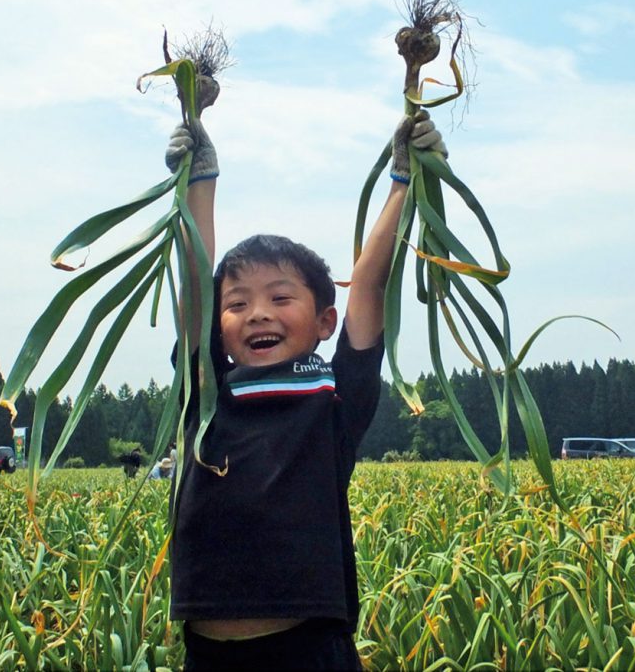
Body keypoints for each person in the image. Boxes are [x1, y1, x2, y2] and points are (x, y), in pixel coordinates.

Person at [164, 105, 446, 671]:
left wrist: (405, 180)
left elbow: (369, 284)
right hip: (207, 653)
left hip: (309, 649)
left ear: (323, 322)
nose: (256, 314)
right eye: (237, 303)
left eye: (280, 298)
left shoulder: (334, 397)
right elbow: (196, 283)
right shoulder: (208, 393)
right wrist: (199, 179)